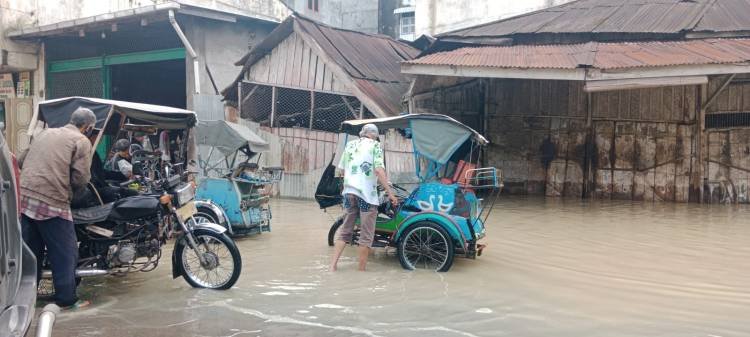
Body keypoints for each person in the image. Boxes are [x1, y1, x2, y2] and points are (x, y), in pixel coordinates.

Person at [19, 107, 96, 309]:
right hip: (51, 201)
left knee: (31, 252)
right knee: (65, 252)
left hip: (25, 197)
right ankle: (66, 300)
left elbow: (20, 160)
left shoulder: (45, 132)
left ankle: (24, 298)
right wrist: (73, 195)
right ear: (87, 127)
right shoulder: (81, 141)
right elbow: (81, 178)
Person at [330, 123, 398, 272]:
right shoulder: (375, 146)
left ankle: (333, 266)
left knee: (345, 231)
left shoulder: (350, 145)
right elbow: (379, 171)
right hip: (366, 196)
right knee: (366, 236)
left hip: (349, 193)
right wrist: (390, 193)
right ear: (374, 135)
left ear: (362, 133)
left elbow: (341, 170)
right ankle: (361, 272)